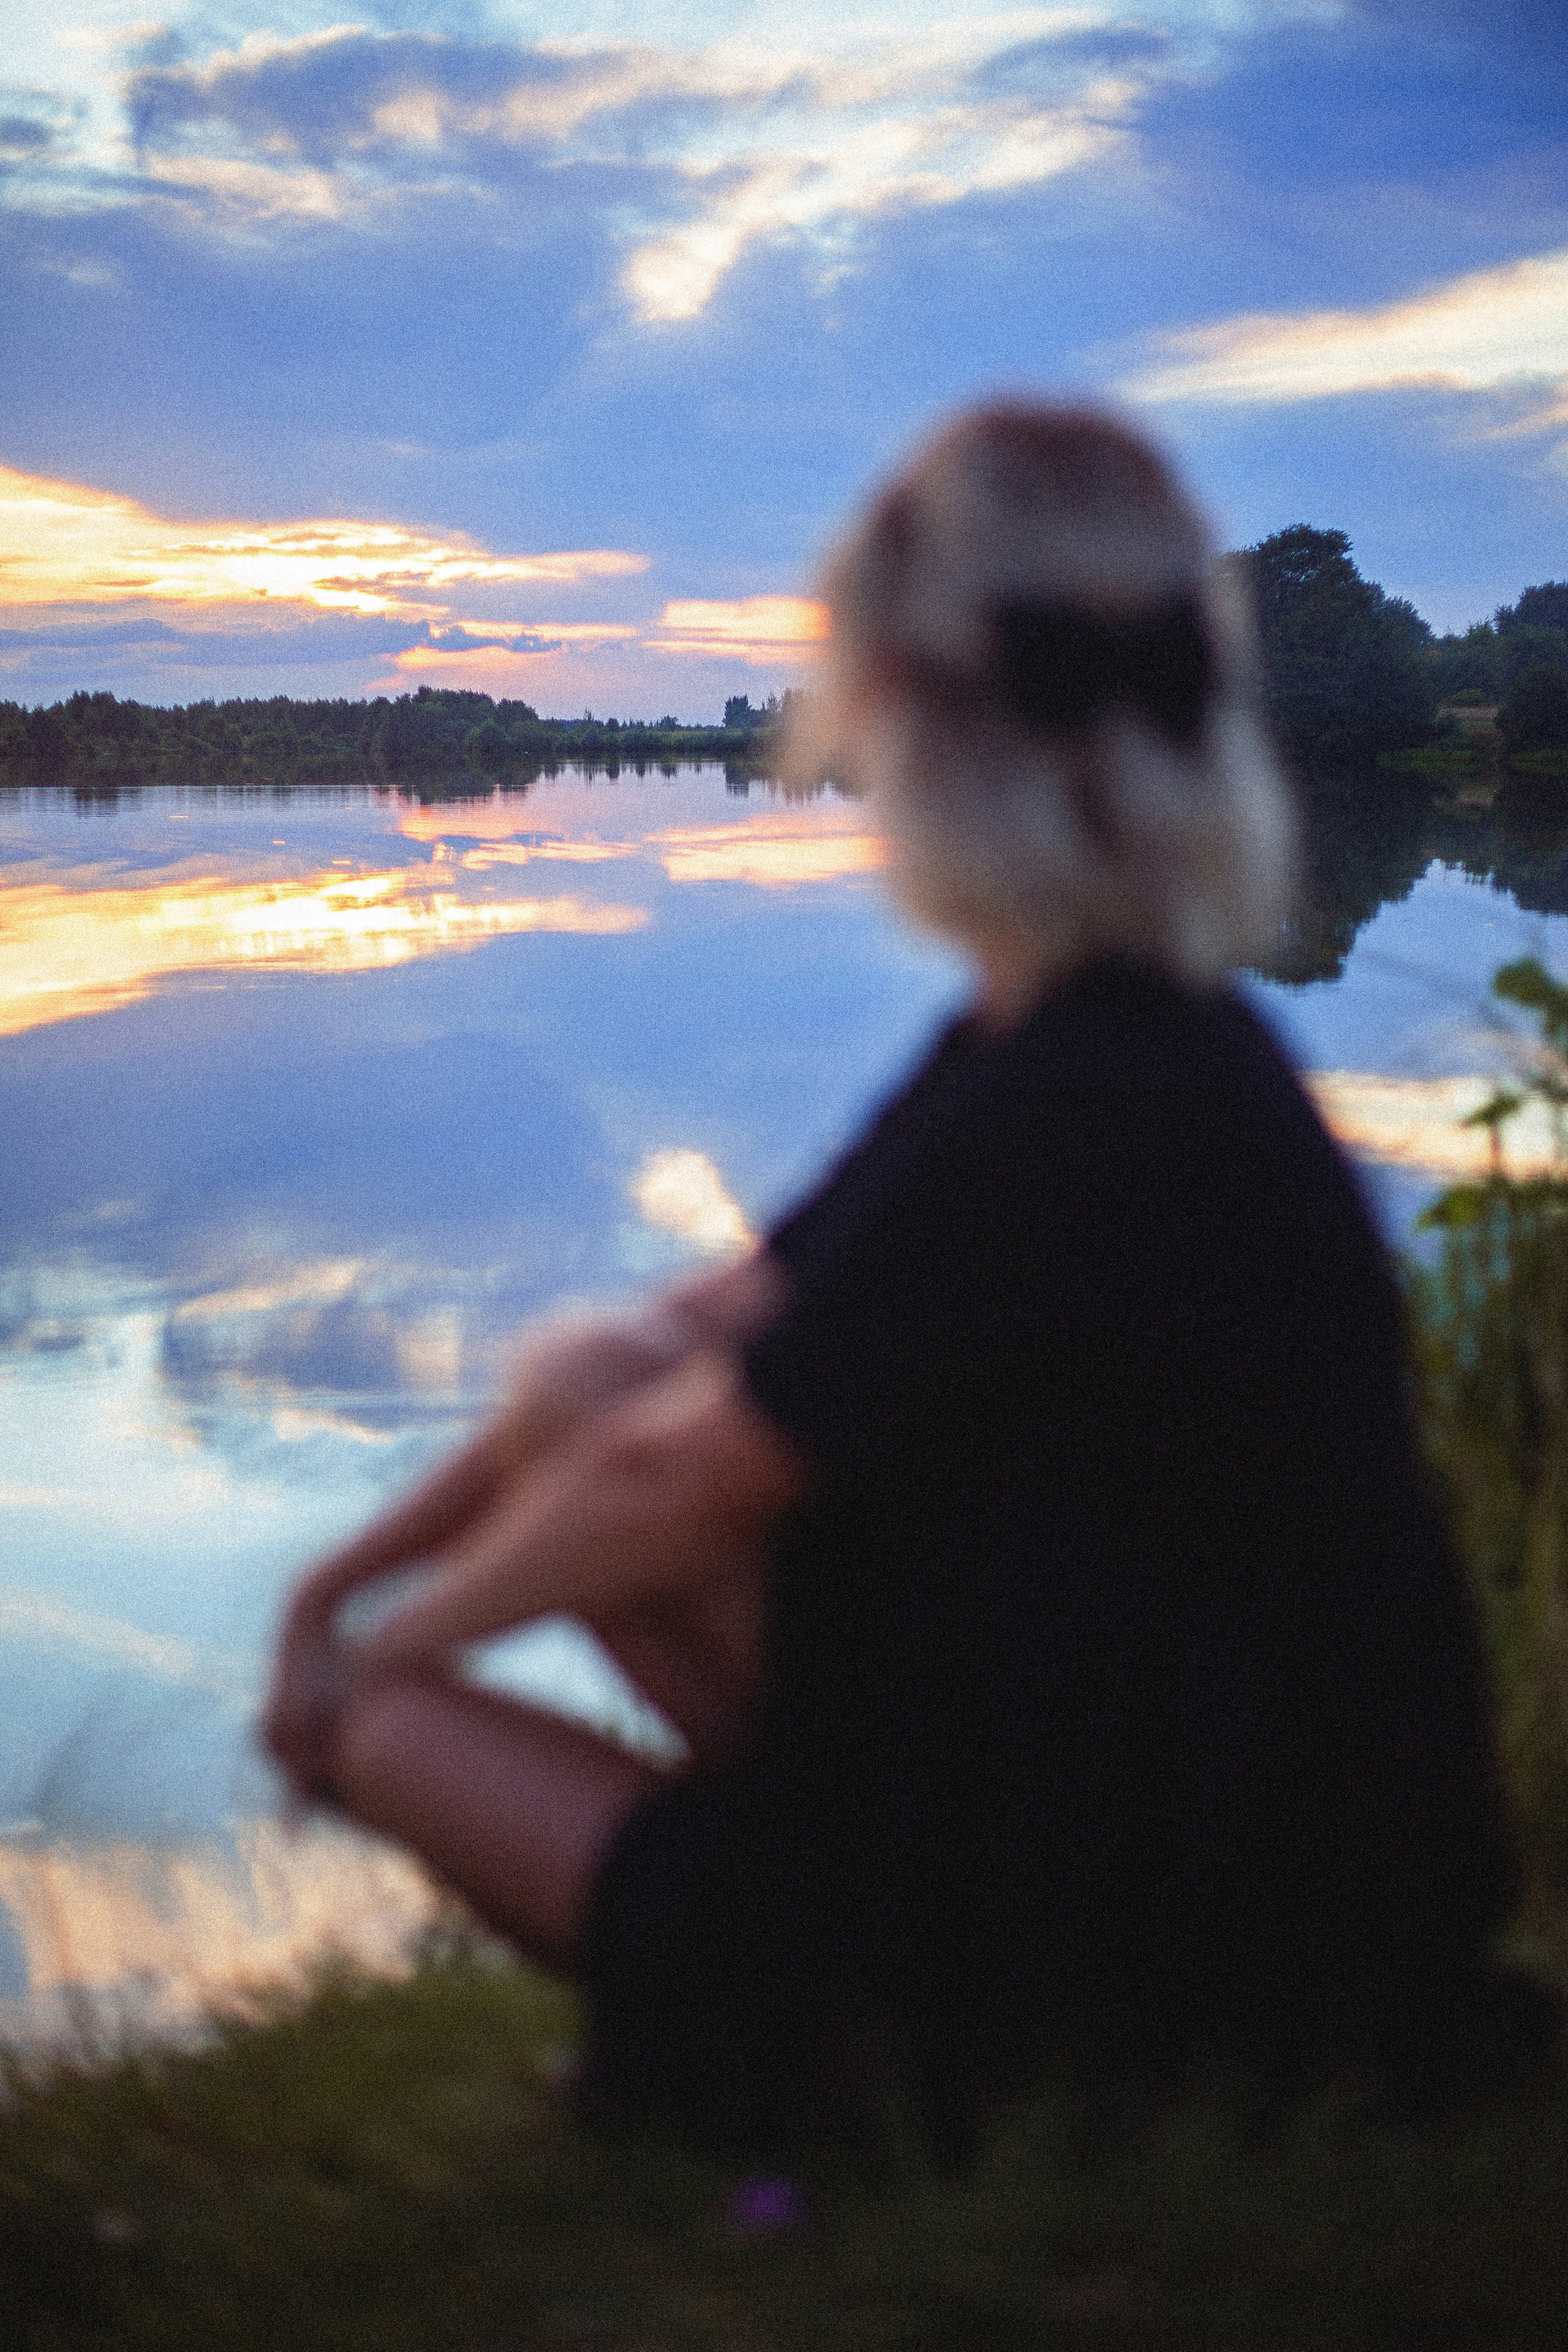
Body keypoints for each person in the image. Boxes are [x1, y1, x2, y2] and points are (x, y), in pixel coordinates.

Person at [266, 402, 1545, 2160]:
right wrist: (334, 1573)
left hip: (1192, 1959)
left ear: (912, 726)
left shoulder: (1082, 1092)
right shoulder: (1107, 1044)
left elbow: (682, 1473)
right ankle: (835, 1997)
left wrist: (356, 1665)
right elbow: (680, 1351)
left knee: (404, 1726)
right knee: (585, 1377)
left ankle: (854, 2055)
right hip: (1247, 1863)